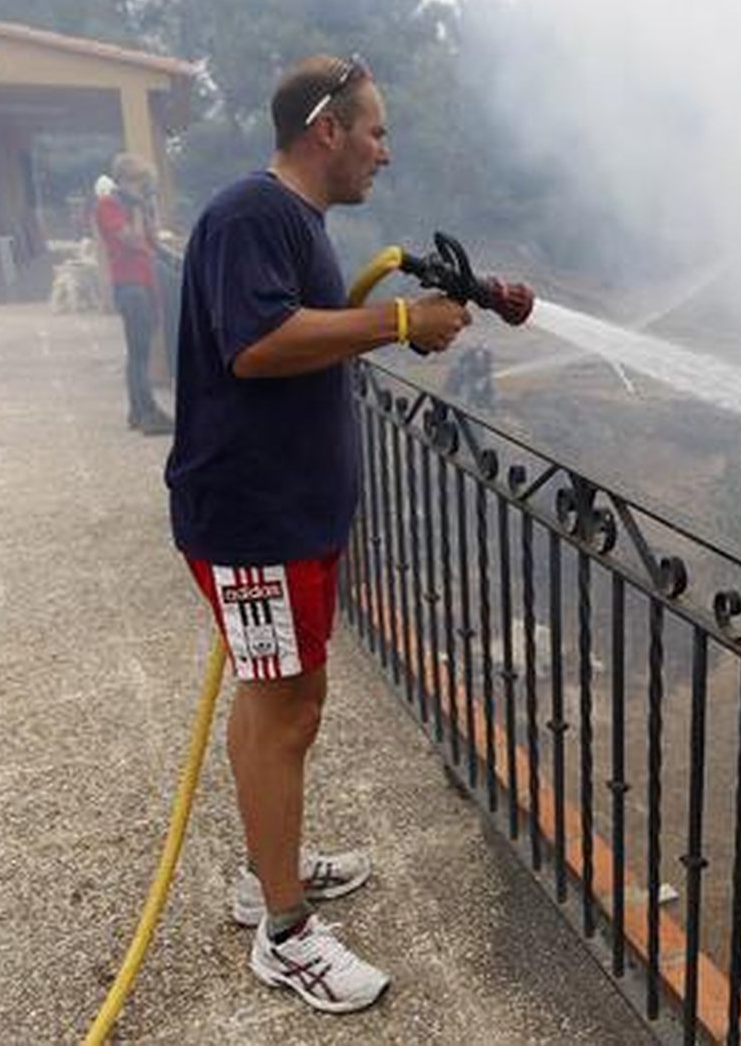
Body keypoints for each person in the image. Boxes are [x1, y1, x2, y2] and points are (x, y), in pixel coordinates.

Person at [164, 53, 532, 1014]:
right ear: (326, 130)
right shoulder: (253, 214)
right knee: (283, 708)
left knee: (289, 698)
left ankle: (266, 870)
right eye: (375, 132)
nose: (385, 151)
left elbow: (308, 330)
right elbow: (256, 345)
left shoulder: (296, 224)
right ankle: (284, 935)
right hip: (255, 520)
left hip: (286, 515)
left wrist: (398, 319)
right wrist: (397, 317)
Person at [95, 154, 171, 434]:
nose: (143, 188)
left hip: (146, 285)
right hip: (130, 286)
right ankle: (147, 412)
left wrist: (149, 210)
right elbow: (133, 240)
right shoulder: (108, 206)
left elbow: (154, 239)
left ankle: (137, 411)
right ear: (126, 181)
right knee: (139, 353)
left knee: (140, 352)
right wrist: (137, 211)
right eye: (140, 183)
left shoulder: (134, 205)